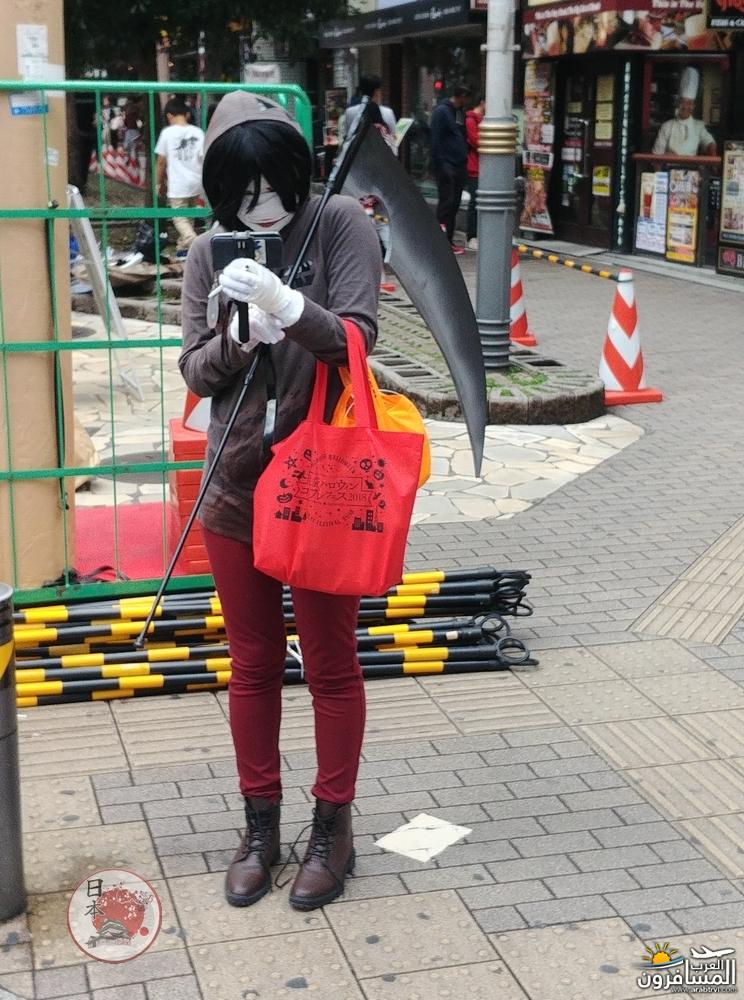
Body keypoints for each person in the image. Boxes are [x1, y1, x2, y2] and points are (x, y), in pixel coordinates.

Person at [178, 91, 381, 912]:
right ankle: (260, 826)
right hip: (235, 482)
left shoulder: (339, 224)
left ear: (300, 170)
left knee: (331, 662)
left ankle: (333, 827)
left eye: (273, 184)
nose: (261, 203)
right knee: (254, 663)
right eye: (242, 190)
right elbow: (195, 372)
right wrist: (238, 338)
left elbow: (357, 339)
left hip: (323, 483)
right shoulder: (208, 252)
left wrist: (289, 307)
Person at [155, 97, 205, 254]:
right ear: (187, 114)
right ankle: (183, 248)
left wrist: (158, 183)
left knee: (179, 217)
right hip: (196, 181)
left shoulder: (167, 133)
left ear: (169, 115)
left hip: (178, 183)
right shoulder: (198, 132)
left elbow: (161, 162)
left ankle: (195, 243)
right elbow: (203, 158)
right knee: (189, 217)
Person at [430, 85, 471, 254]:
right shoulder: (442, 112)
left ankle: (449, 240)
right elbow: (436, 139)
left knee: (454, 204)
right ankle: (440, 241)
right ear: (461, 96)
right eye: (466, 98)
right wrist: (441, 164)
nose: (467, 102)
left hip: (459, 164)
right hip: (446, 164)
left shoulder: (459, 113)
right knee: (446, 203)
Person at [652, 67, 716, 158]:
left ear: (693, 106)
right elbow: (656, 155)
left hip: (691, 166)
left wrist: (712, 153)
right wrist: (667, 156)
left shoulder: (699, 126)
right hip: (668, 165)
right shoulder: (666, 126)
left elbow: (709, 143)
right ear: (677, 104)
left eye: (689, 103)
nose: (685, 107)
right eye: (682, 102)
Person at [340, 74, 397, 144]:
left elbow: (348, 136)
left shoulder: (350, 112)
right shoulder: (388, 113)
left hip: (359, 150)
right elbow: (393, 139)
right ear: (376, 92)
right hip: (381, 150)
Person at [465, 95, 485, 251]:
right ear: (482, 103)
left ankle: (482, 234)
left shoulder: (484, 120)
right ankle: (472, 236)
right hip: (475, 167)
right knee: (475, 202)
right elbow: (476, 141)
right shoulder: (471, 120)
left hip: (486, 167)